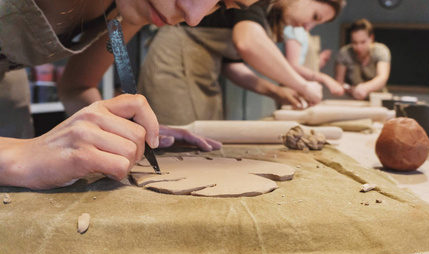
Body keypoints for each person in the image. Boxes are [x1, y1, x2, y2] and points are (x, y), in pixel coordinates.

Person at [0, 0, 260, 190]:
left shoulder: (134, 11)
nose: (194, 16)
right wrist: (19, 155)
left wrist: (117, 127)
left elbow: (77, 86)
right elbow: (17, 159)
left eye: (223, 5)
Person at [138, 0, 346, 126]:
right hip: (174, 65)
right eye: (315, 16)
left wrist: (276, 91)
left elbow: (232, 67)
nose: (308, 27)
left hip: (201, 76)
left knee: (203, 146)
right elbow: (248, 43)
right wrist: (303, 85)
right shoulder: (257, 3)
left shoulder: (261, 16)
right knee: (180, 151)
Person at [334, 18, 391, 100]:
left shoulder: (381, 51)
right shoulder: (344, 54)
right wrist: (352, 90)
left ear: (371, 38)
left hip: (378, 99)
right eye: (355, 42)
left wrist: (365, 88)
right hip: (355, 101)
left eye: (363, 42)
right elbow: (339, 84)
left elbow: (382, 77)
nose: (358, 47)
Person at [283, 25, 345, 96]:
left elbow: (303, 61)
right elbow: (294, 66)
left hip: (307, 89)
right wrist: (325, 78)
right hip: (295, 89)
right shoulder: (295, 30)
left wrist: (317, 61)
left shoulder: (303, 32)